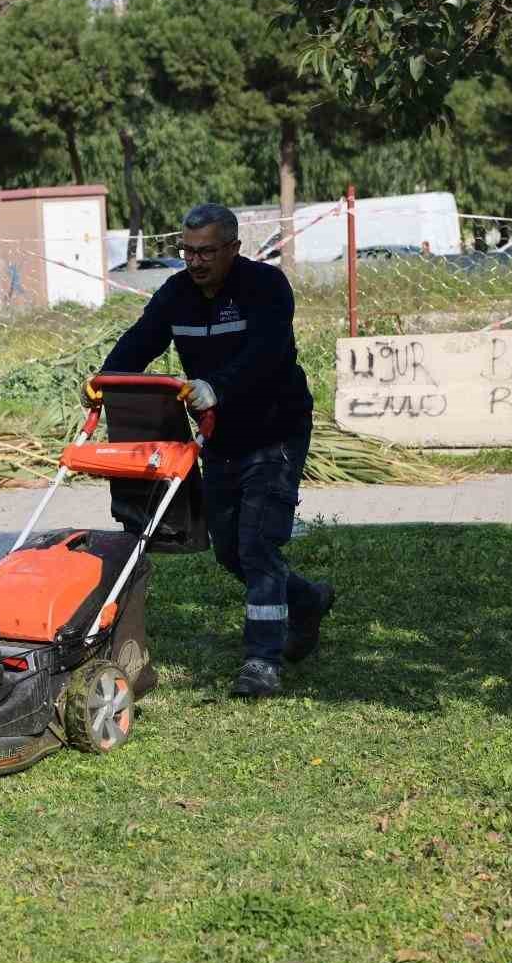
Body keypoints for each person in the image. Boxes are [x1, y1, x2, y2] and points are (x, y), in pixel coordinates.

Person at [84, 203, 334, 697]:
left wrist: (217, 386)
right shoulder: (177, 294)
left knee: (258, 544)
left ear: (233, 249)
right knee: (228, 550)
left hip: (273, 431)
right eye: (188, 251)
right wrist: (106, 380)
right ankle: (306, 602)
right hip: (218, 437)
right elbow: (141, 340)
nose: (195, 262)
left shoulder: (266, 287)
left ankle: (263, 660)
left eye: (206, 252)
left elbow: (266, 353)